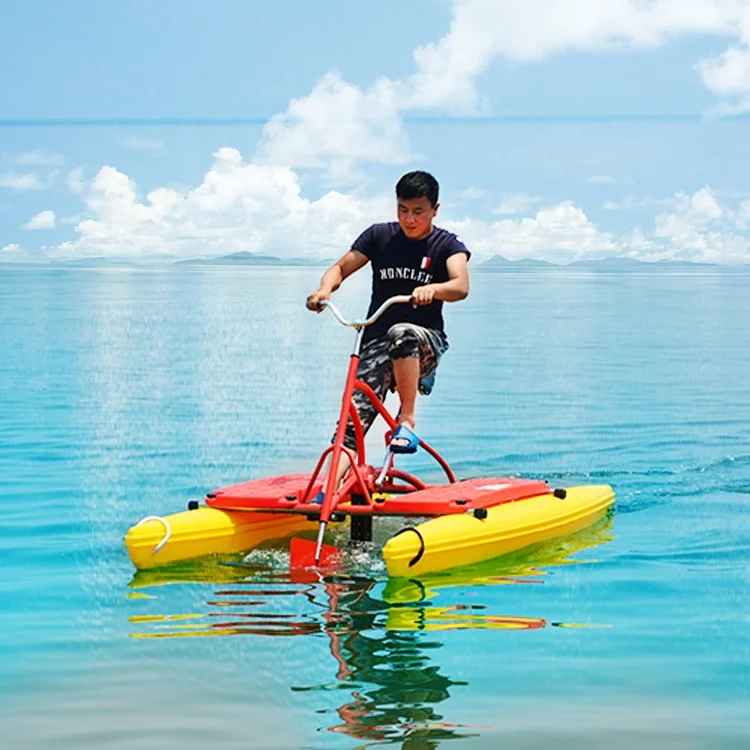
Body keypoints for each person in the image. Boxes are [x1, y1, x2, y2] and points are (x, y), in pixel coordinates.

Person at [306, 170, 470, 481]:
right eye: (403, 210)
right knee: (350, 424)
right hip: (376, 341)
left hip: (425, 342)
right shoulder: (378, 236)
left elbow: (460, 285)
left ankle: (406, 420)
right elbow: (341, 267)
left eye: (418, 212)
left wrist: (434, 290)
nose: (410, 219)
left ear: (435, 210)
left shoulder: (448, 245)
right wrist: (325, 289)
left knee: (402, 332)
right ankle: (326, 493)